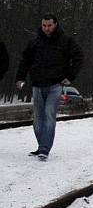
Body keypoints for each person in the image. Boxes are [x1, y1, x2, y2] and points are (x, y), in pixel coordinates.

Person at [15, 14, 83, 161]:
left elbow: (78, 57)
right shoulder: (35, 41)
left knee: (49, 114)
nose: (46, 28)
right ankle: (42, 146)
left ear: (56, 24)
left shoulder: (66, 41)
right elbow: (25, 60)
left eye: (49, 25)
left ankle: (45, 148)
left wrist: (70, 76)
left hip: (55, 85)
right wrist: (20, 78)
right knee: (38, 119)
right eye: (44, 25)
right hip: (37, 85)